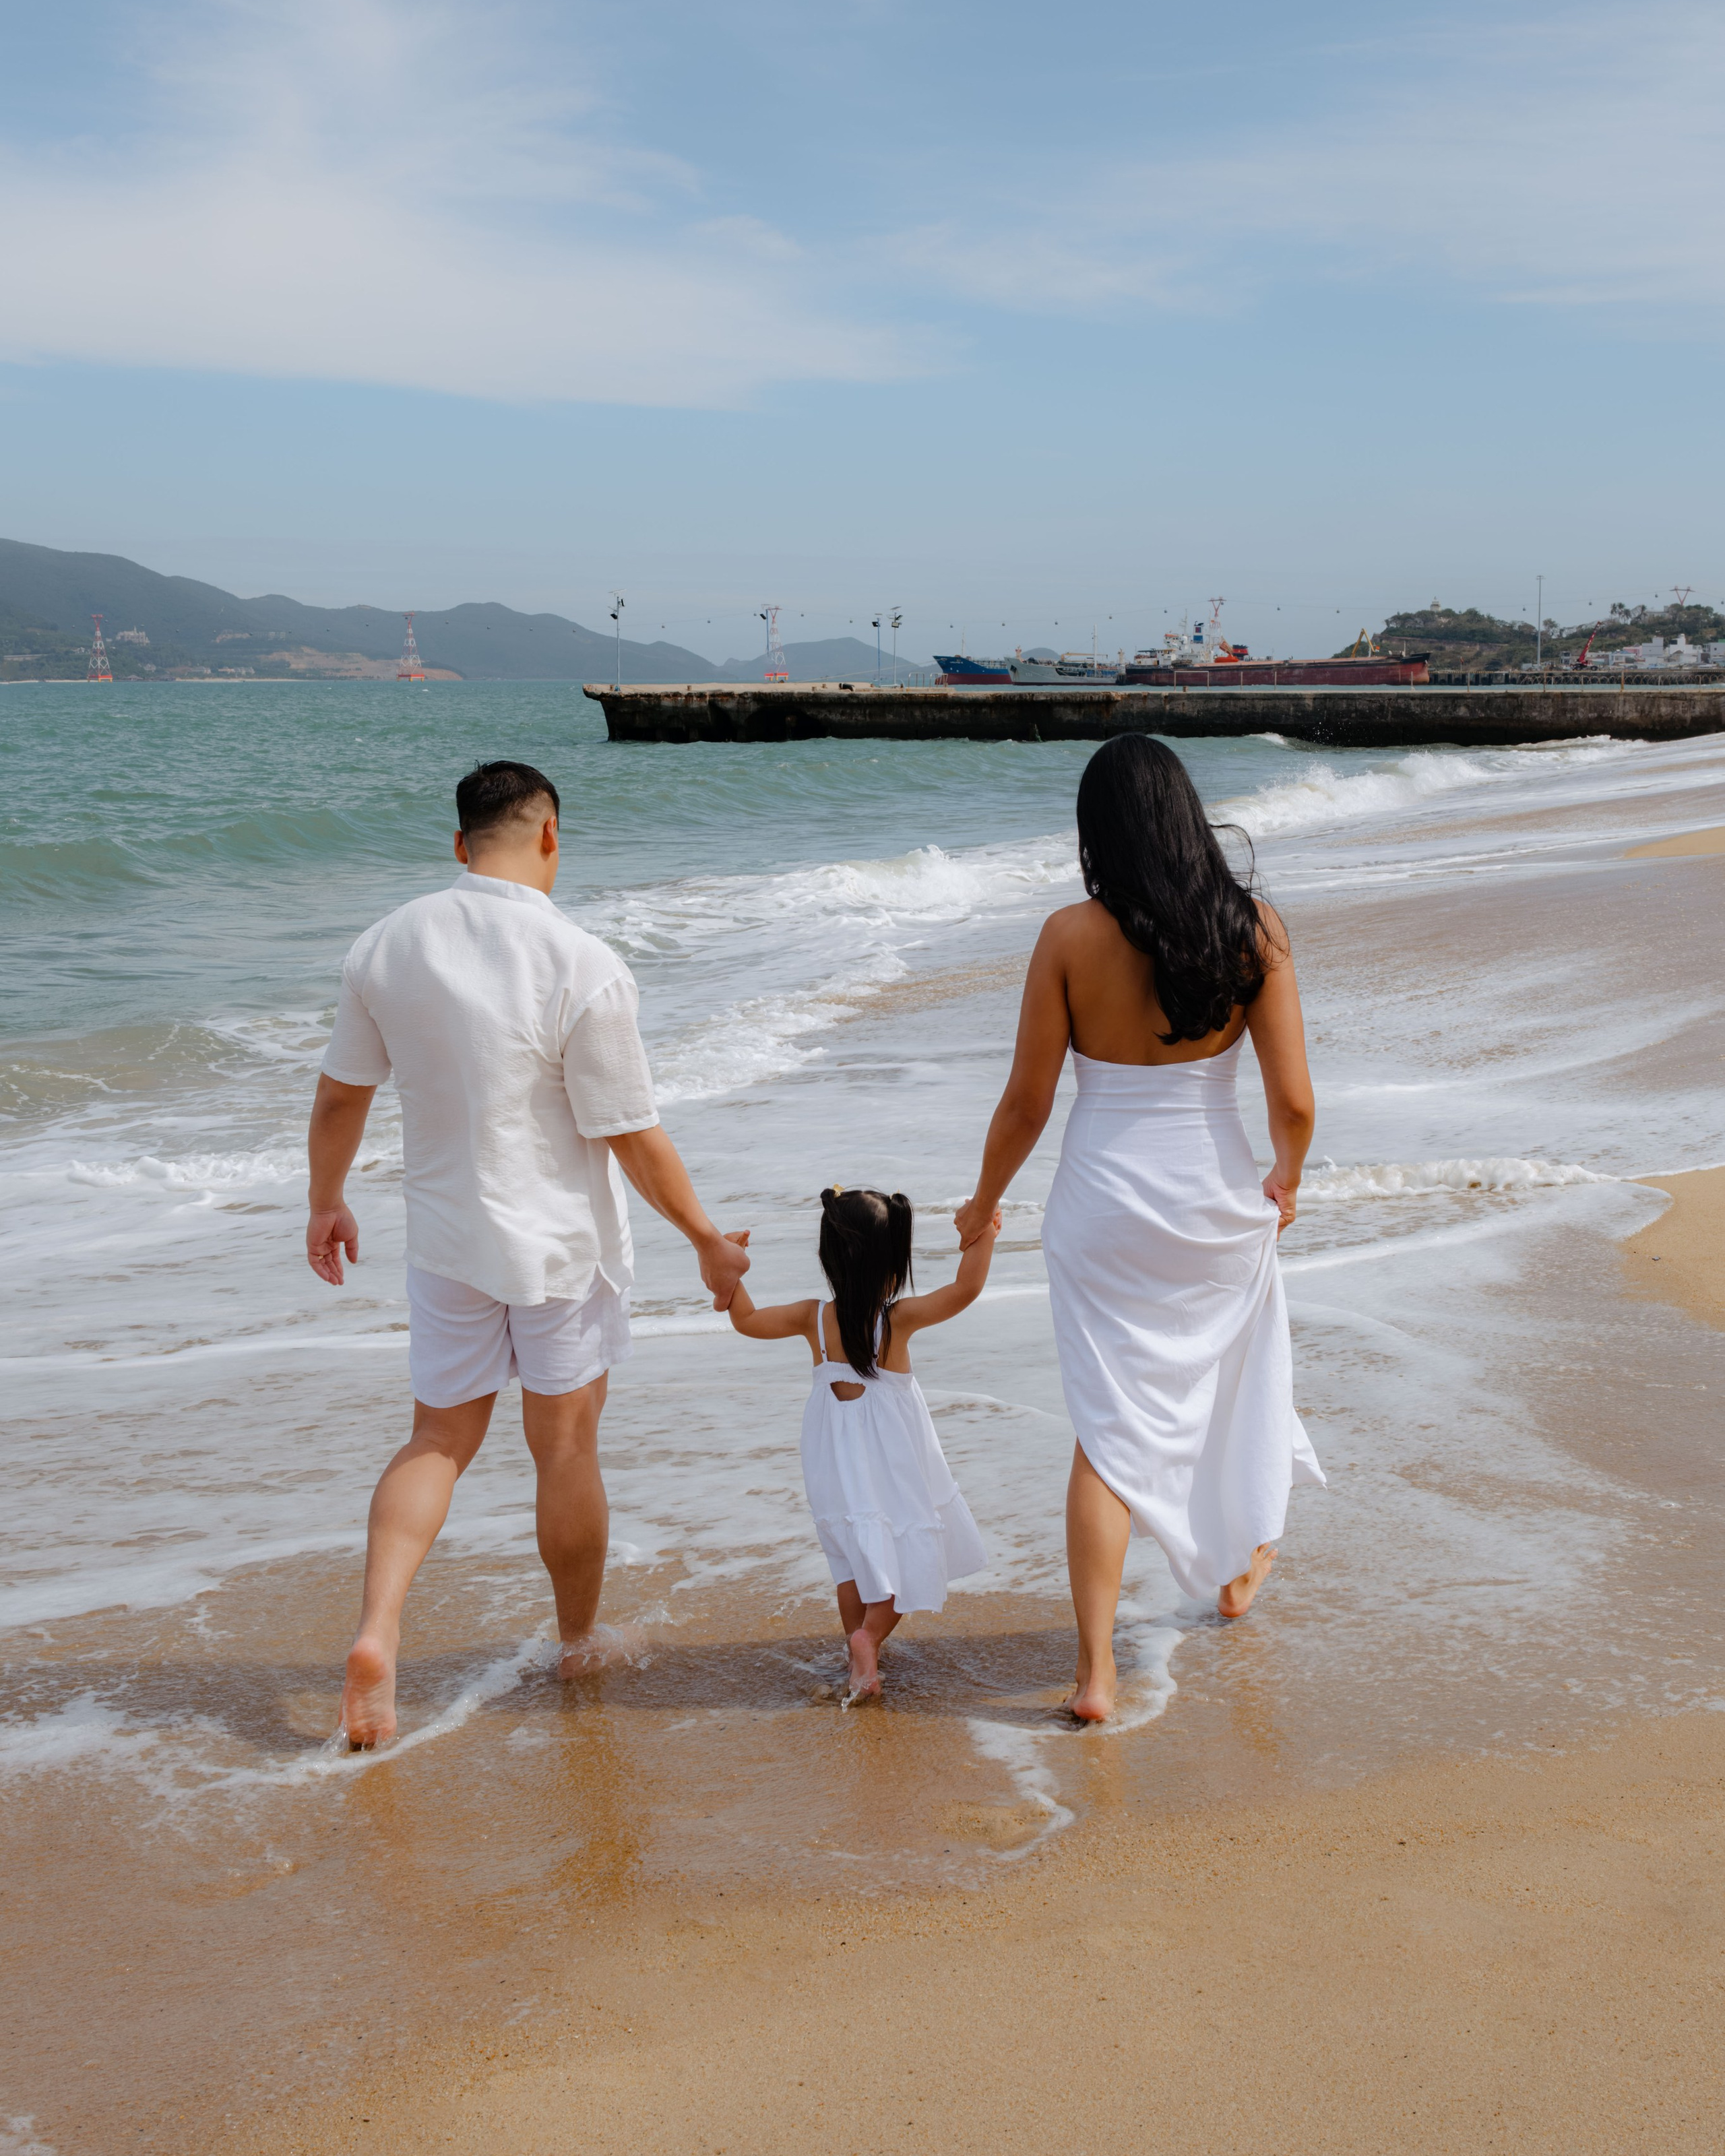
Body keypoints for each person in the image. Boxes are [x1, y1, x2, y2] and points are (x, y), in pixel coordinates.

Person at [306, 759, 748, 1748]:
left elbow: (341, 1095)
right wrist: (709, 1241)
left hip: (448, 1242)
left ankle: (378, 1633)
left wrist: (326, 1201)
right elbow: (630, 1133)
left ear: (461, 847)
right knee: (565, 1447)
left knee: (437, 1441)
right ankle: (580, 1639)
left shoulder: (387, 944)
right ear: (550, 836)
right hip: (558, 1251)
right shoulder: (581, 962)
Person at [954, 734, 1325, 1723]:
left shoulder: (1068, 937)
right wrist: (1283, 1183)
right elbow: (1293, 1101)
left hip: (1104, 1205)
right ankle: (1240, 1571)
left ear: (1098, 834)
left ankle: (1094, 1676)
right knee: (1235, 1381)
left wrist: (984, 1200)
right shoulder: (1254, 933)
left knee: (1109, 1432)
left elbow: (1027, 1104)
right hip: (1214, 1201)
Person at [721, 1187, 995, 1701]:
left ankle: (859, 1663)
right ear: (893, 1260)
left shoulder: (813, 1319)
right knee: (901, 1556)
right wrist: (984, 1234)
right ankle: (868, 1640)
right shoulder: (898, 1320)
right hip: (891, 1463)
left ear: (829, 1257)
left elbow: (747, 1321)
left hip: (834, 1463)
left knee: (850, 1557)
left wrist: (730, 1271)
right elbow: (966, 1289)